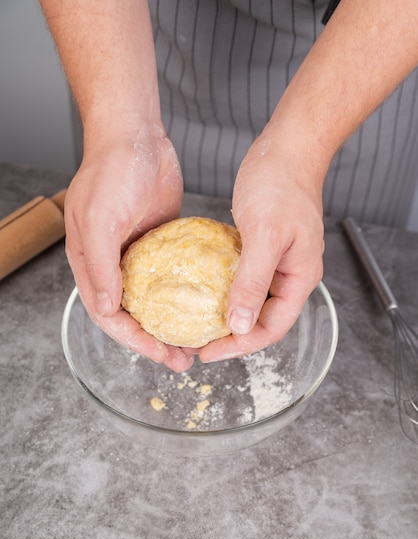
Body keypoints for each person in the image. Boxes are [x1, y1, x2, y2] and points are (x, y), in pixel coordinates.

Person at [39, 0, 418, 372]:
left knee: (360, 285)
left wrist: (301, 158)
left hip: (357, 55)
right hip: (143, 43)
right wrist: (121, 132)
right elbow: (121, 132)